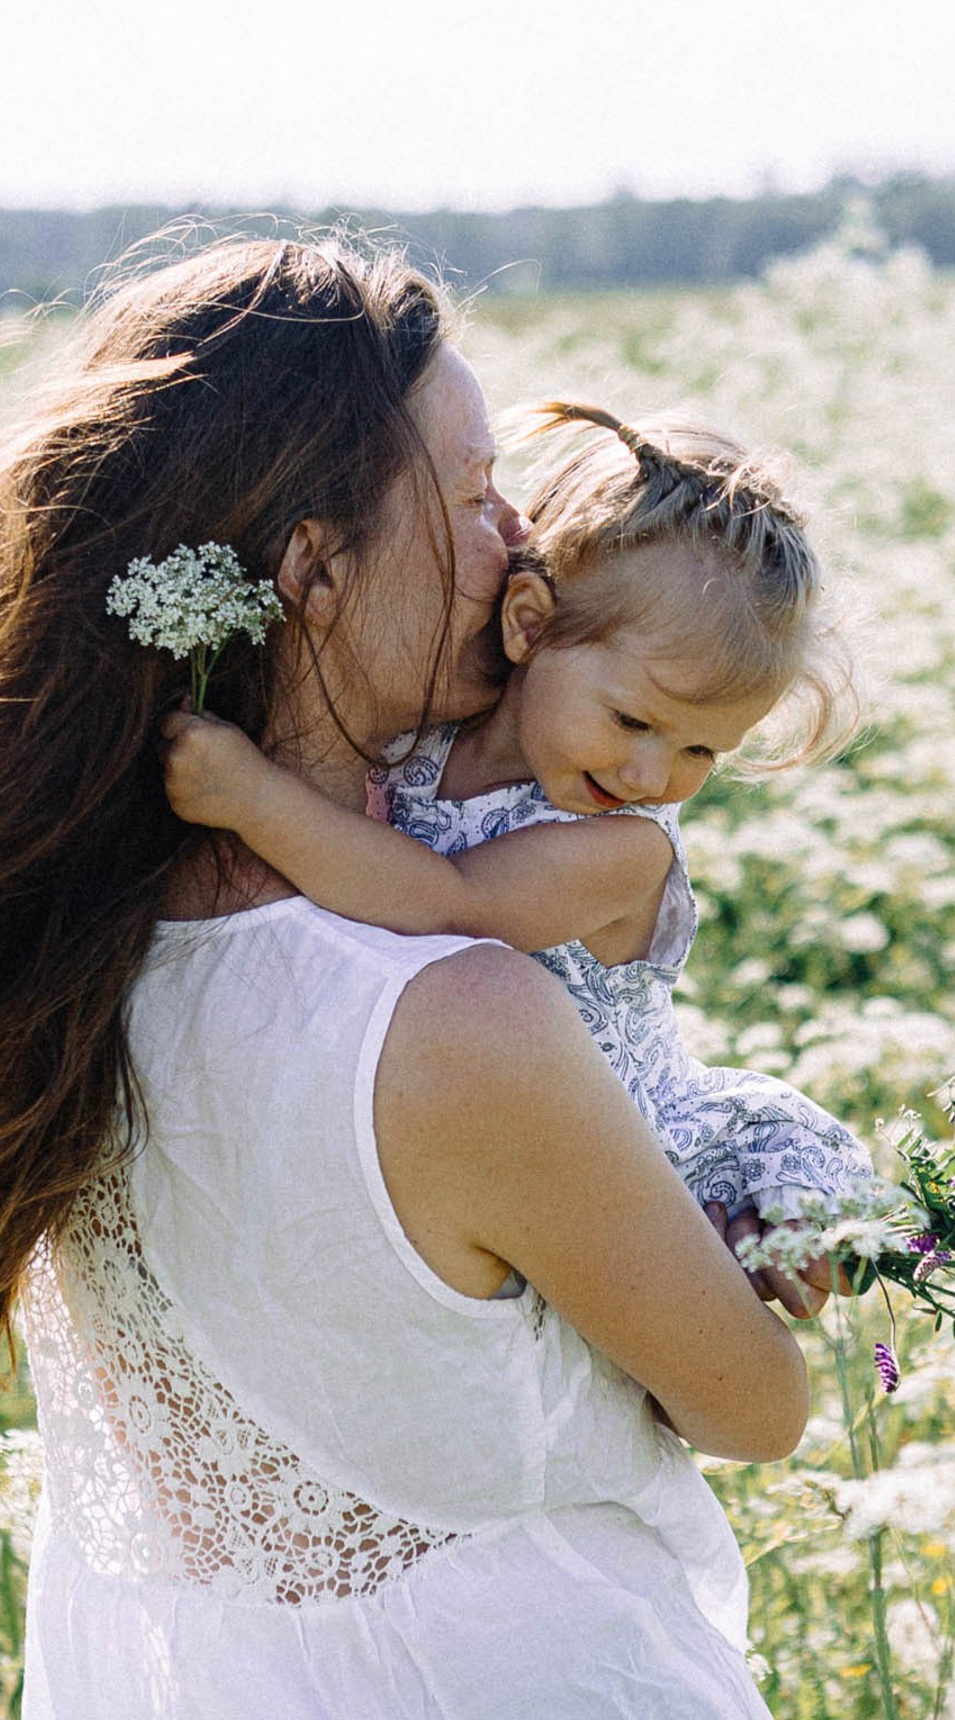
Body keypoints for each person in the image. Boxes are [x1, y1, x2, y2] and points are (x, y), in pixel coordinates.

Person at [0, 238, 852, 1720]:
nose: (524, 543)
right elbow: (759, 1408)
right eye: (478, 489)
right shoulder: (458, 1020)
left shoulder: (58, 949)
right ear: (315, 568)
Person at [159, 402, 872, 1283]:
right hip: (485, 1145)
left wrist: (254, 800)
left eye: (700, 751)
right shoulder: (424, 732)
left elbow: (450, 904)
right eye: (633, 720)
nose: (653, 774)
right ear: (529, 624)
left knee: (780, 1263)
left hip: (652, 1157)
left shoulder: (620, 847)